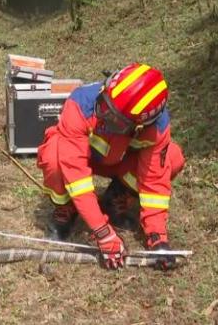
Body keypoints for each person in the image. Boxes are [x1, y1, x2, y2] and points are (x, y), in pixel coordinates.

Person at [36, 63, 185, 270]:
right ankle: (66, 207)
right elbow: (76, 175)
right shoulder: (80, 103)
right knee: (54, 155)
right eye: (105, 101)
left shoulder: (156, 129)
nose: (103, 112)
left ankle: (117, 196)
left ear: (139, 126)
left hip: (120, 163)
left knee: (173, 159)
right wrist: (103, 232)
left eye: (114, 117)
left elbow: (155, 182)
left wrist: (157, 237)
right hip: (83, 159)